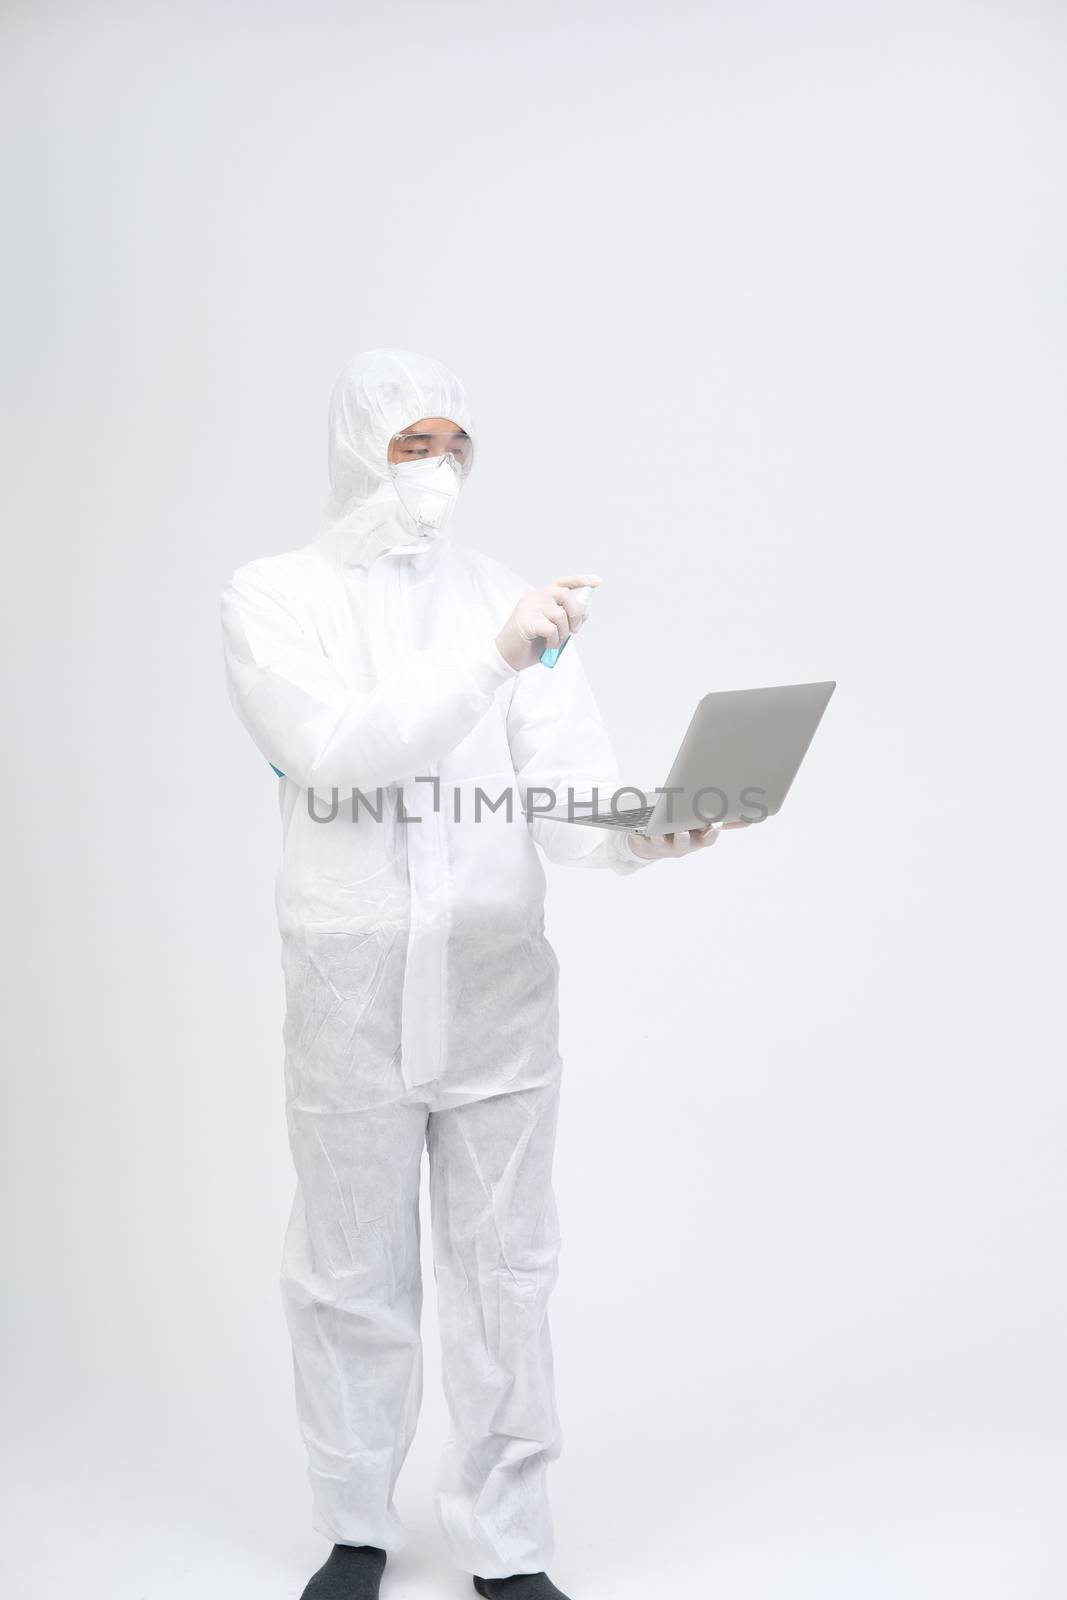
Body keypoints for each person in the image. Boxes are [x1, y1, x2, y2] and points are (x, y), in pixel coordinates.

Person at [220, 349, 720, 1600]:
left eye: (454, 445)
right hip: (353, 990)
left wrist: (639, 832)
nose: (436, 468)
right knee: (349, 1273)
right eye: (410, 442)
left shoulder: (505, 596)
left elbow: (563, 799)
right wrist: (497, 655)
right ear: (356, 449)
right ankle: (354, 1527)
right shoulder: (274, 597)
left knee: (506, 1274)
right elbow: (339, 751)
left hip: (496, 988)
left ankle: (507, 1546)